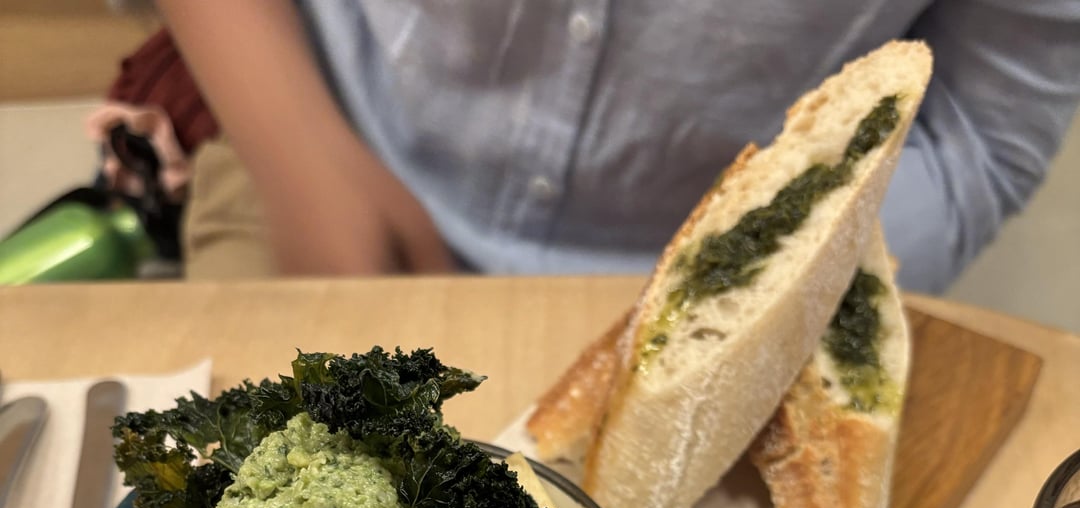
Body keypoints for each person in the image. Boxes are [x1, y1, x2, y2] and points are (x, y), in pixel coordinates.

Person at [154, 0, 1080, 293]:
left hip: (731, 272)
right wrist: (296, 146)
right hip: (320, 148)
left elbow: (977, 137)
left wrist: (739, 301)